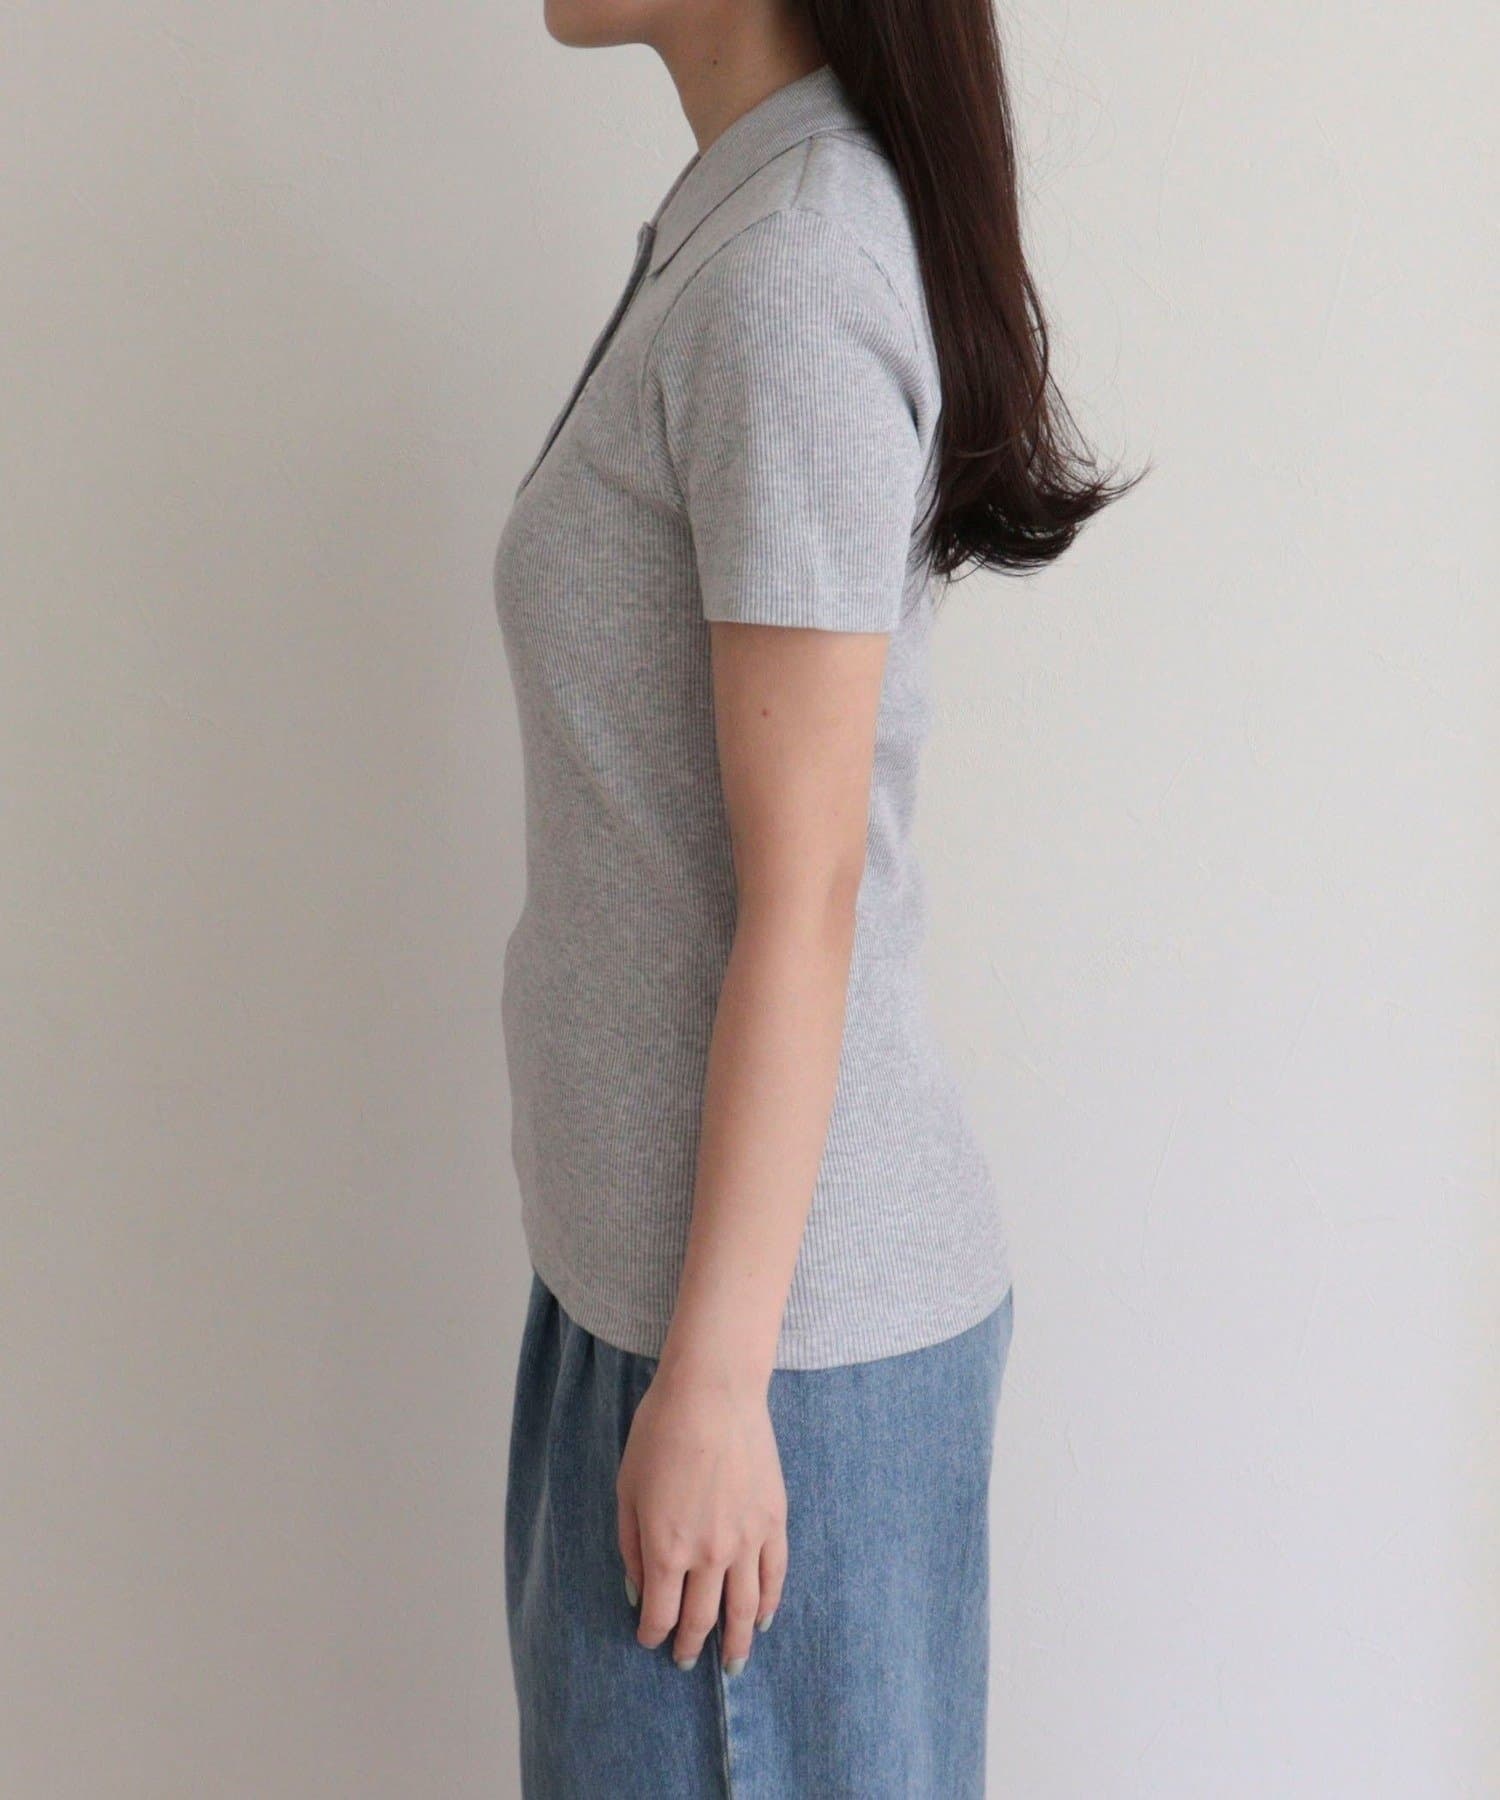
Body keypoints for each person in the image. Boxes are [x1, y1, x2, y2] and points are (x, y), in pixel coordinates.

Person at [494, 1, 1133, 1791]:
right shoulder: (741, 216)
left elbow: (810, 888)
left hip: (761, 1362)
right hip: (666, 1309)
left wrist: (714, 1386)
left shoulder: (791, 264)